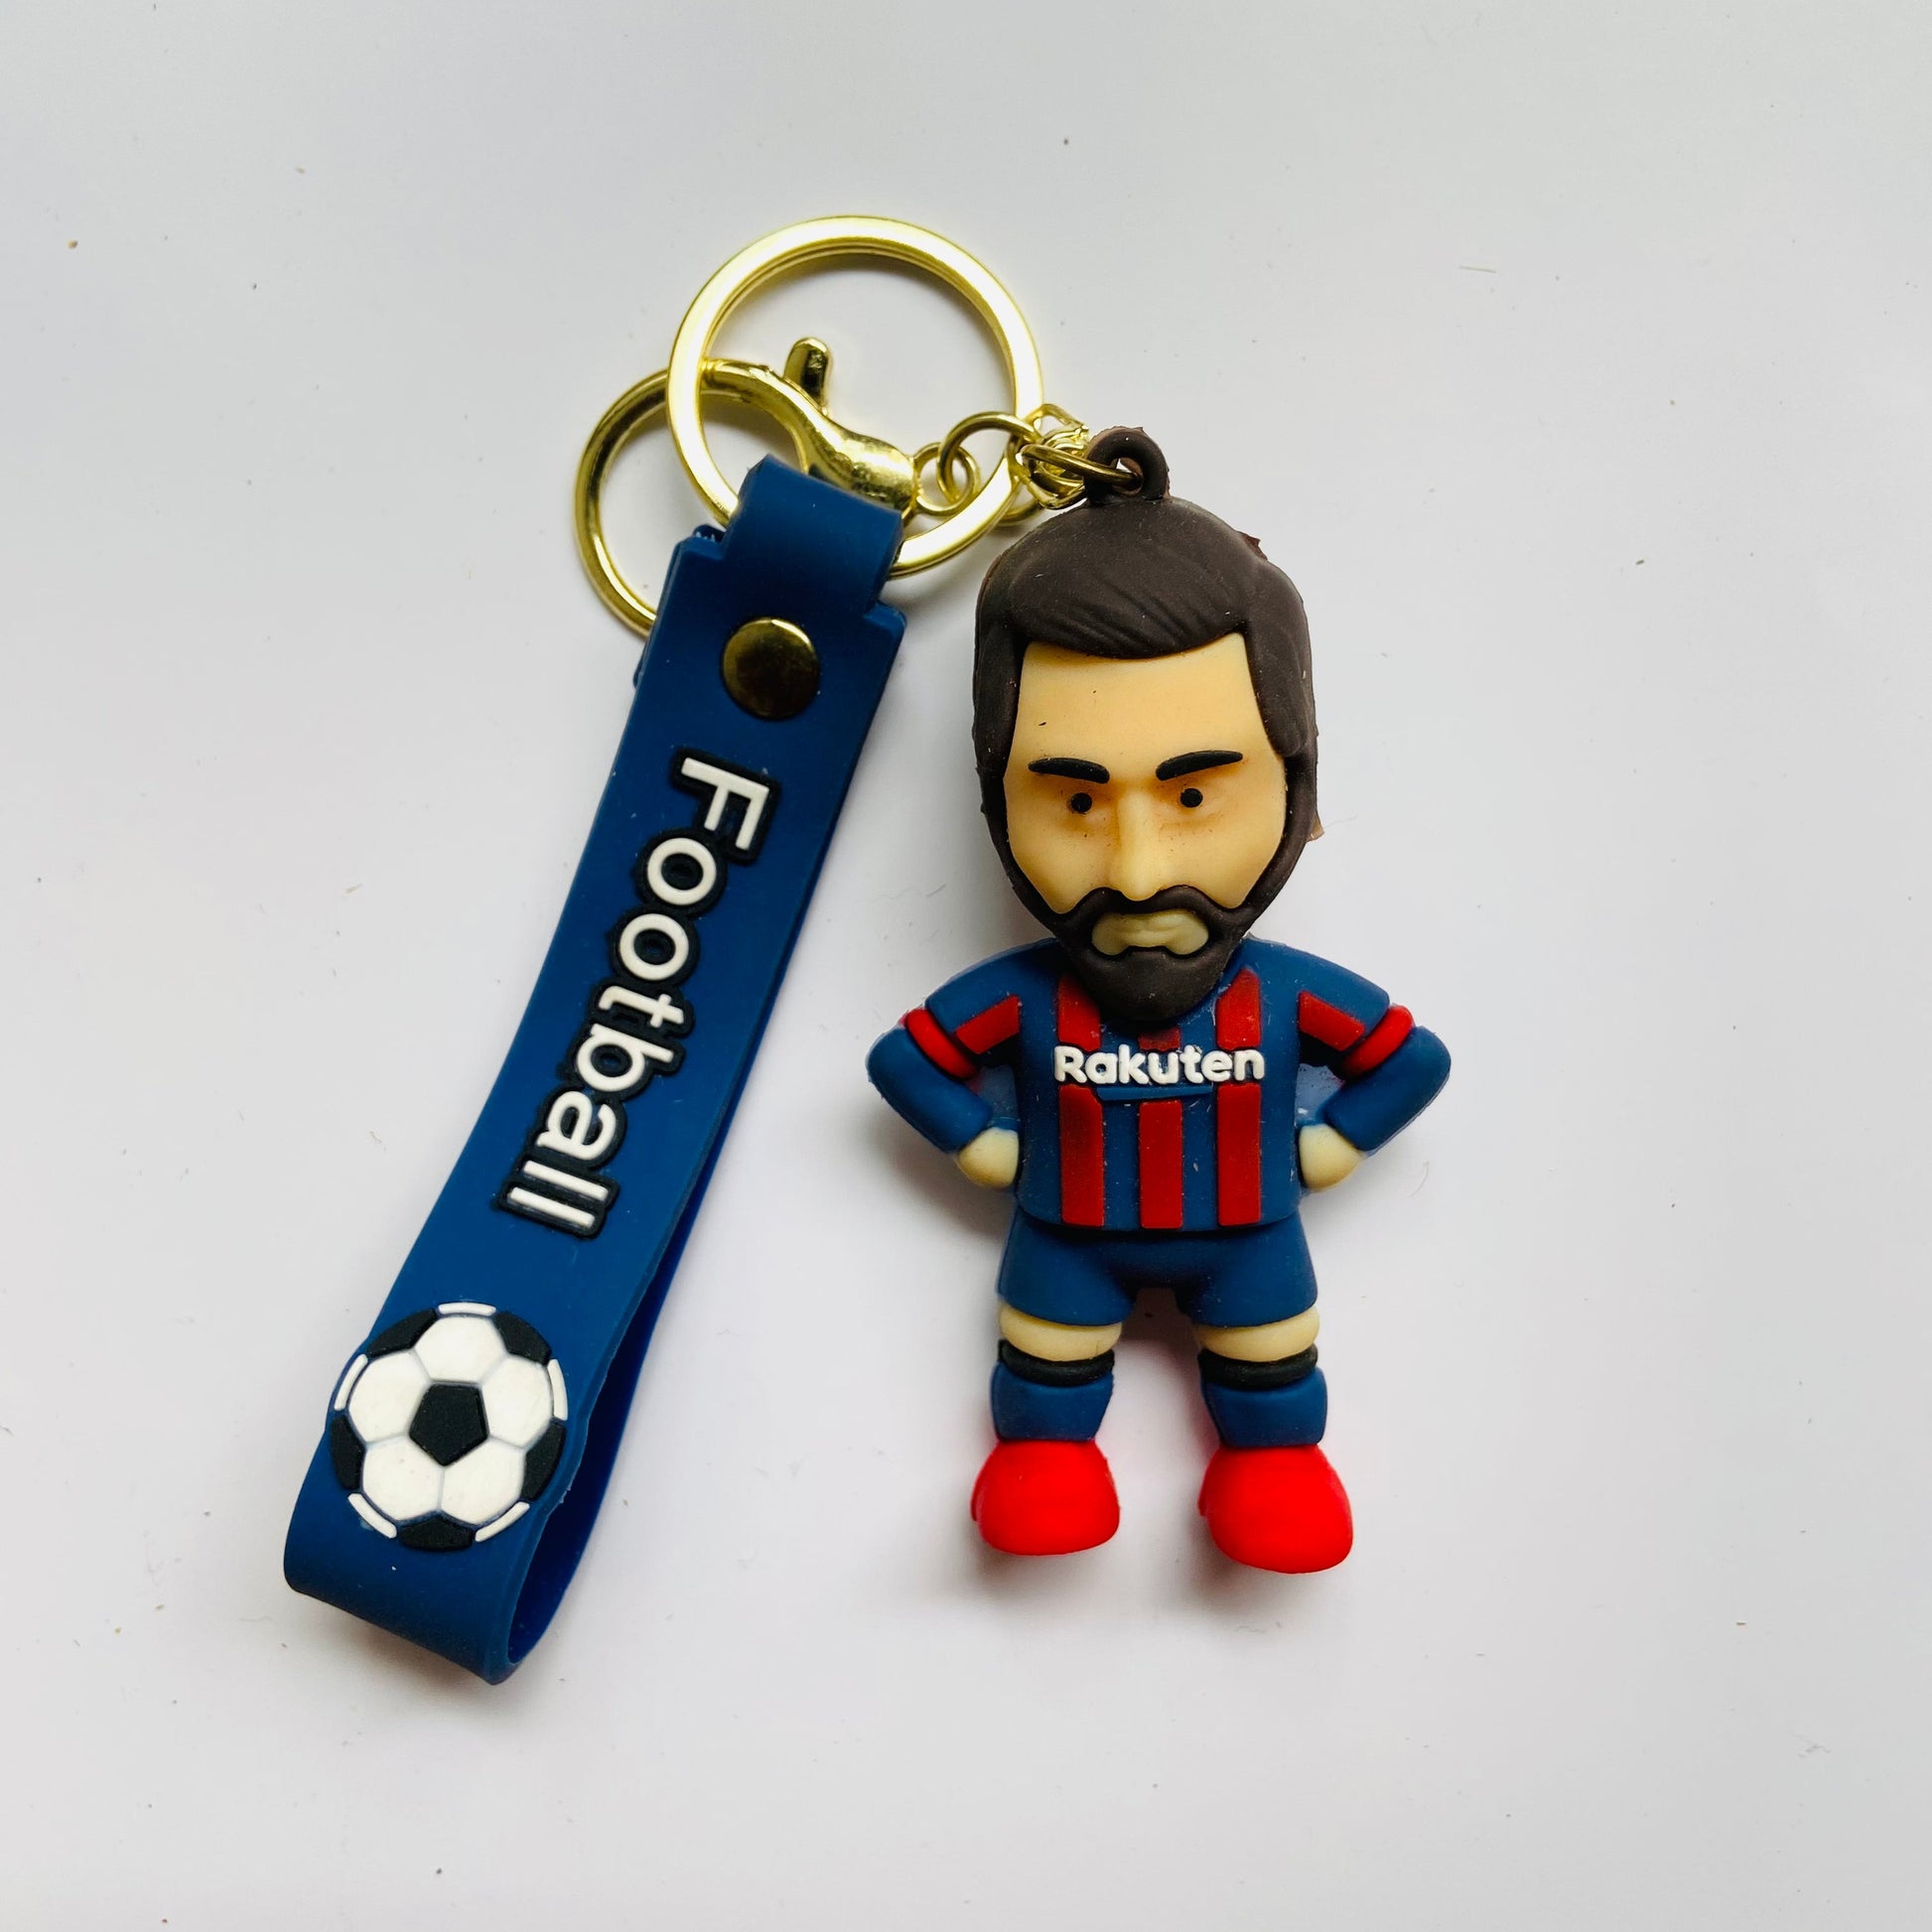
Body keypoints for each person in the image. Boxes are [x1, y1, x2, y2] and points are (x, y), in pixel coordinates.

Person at [868, 431, 1450, 1572]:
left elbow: (1408, 1058)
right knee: (1043, 1378)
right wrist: (988, 1151)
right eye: (1074, 802)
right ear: (993, 793)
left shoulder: (1279, 991)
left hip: (1251, 1242)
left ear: (1295, 775)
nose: (1136, 872)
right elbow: (907, 1059)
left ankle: (1271, 1465)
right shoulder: (1028, 995)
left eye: (1192, 796)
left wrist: (1324, 1149)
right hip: (1063, 1241)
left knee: (1270, 1378)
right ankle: (1045, 1458)